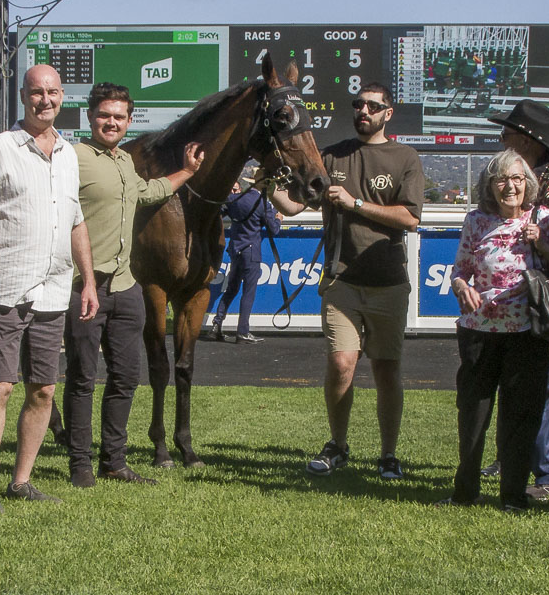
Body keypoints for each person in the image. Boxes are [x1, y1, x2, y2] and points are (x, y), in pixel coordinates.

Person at [0, 64, 99, 513]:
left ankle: (22, 480)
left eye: (52, 92)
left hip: (54, 290)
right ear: (23, 96)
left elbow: (75, 221)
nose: (45, 100)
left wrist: (87, 280)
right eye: (36, 92)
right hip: (5, 288)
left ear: (62, 96)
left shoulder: (69, 155)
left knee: (44, 391)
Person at [272, 82, 424, 480]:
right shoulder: (332, 154)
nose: (363, 111)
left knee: (387, 370)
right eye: (358, 105)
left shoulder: (404, 156)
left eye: (373, 106)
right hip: (341, 280)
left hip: (388, 281)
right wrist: (268, 185)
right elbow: (292, 206)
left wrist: (356, 204)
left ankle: (388, 454)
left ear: (388, 113)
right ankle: (338, 445)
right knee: (341, 364)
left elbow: (410, 218)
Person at [64, 82, 203, 488]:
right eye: (104, 115)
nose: (111, 122)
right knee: (82, 377)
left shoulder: (125, 161)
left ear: (129, 121)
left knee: (125, 378)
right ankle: (79, 465)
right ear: (90, 117)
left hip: (126, 287)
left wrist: (187, 173)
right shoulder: (71, 157)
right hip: (83, 286)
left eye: (119, 117)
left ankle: (114, 460)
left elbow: (148, 193)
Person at [444, 150, 549, 510]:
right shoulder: (476, 221)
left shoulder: (543, 218)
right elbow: (460, 270)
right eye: (502, 179)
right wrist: (462, 288)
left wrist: (541, 243)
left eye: (517, 179)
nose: (510, 186)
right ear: (490, 185)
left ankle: (513, 495)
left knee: (521, 415)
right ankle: (465, 491)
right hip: (479, 330)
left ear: (528, 184)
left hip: (527, 331)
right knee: (473, 413)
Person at [487, 99, 549, 498]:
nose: (501, 141)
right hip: (543, 293)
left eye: (507, 135)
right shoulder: (541, 173)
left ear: (528, 141)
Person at [208, 176, 282, 344]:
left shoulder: (234, 199)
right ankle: (242, 331)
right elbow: (274, 229)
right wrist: (278, 218)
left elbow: (219, 212)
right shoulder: (262, 203)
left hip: (235, 249)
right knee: (248, 293)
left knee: (231, 290)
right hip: (251, 252)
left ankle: (216, 325)